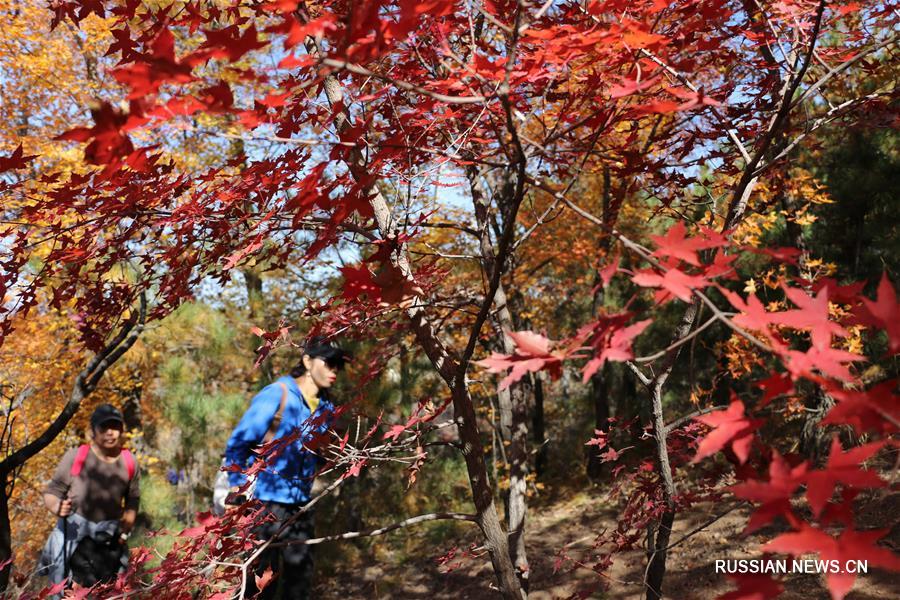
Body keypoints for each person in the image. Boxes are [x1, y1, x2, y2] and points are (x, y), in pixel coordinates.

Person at [224, 336, 349, 600]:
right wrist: (237, 490)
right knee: (258, 588)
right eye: (328, 363)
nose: (334, 370)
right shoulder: (278, 394)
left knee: (300, 584)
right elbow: (237, 444)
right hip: (263, 506)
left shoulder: (326, 407)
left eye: (338, 365)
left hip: (301, 507)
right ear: (306, 360)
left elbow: (317, 453)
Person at [39, 403, 139, 592]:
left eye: (115, 427)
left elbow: (133, 496)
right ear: (93, 430)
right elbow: (53, 491)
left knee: (108, 591)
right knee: (65, 591)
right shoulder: (75, 457)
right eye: (104, 427)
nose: (110, 433)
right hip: (73, 535)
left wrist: (128, 521)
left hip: (109, 539)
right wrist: (56, 506)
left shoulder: (129, 461)